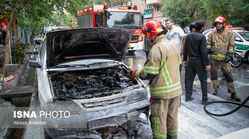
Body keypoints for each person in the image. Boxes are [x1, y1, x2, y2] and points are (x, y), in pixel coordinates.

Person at [131, 19, 182, 139]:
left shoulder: (156, 49)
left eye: (146, 36)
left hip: (162, 94)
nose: (147, 39)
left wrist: (136, 73)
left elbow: (149, 73)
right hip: (176, 91)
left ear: (150, 34)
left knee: (159, 121)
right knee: (172, 118)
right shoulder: (173, 45)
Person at [207, 16, 241, 102]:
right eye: (216, 24)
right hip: (213, 59)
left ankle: (233, 92)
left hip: (224, 59)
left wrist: (229, 55)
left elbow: (231, 45)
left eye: (219, 23)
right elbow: (208, 44)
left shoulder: (229, 33)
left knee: (228, 75)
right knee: (213, 75)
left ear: (223, 24)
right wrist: (208, 49)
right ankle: (215, 89)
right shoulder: (211, 34)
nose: (218, 25)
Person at [183, 21, 210, 104]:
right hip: (199, 61)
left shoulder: (189, 36)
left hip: (190, 60)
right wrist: (207, 64)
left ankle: (188, 97)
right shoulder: (202, 37)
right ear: (202, 28)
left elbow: (185, 48)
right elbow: (204, 52)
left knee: (189, 79)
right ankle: (204, 100)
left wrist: (185, 59)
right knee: (203, 80)